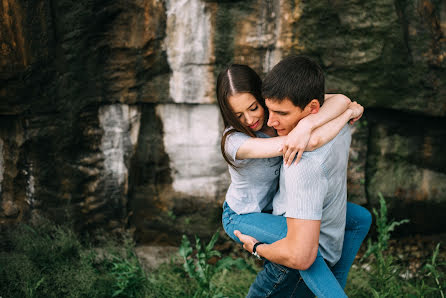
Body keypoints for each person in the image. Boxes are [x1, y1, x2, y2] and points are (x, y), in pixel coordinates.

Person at [216, 63, 371, 297]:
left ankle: (333, 287)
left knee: (359, 218)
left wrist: (308, 122)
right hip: (242, 215)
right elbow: (306, 142)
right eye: (238, 115)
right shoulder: (233, 141)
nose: (249, 119)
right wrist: (347, 114)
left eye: (253, 107)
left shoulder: (275, 112)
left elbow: (339, 99)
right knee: (304, 249)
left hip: (275, 209)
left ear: (261, 99)